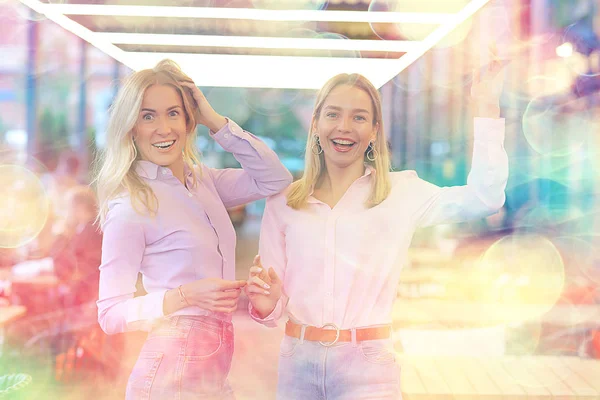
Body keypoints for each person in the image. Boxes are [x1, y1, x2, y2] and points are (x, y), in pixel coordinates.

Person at [245, 59, 509, 399]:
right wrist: (266, 304)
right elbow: (271, 303)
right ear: (315, 124)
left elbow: (484, 198)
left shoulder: (401, 193)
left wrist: (487, 108)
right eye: (333, 114)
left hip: (367, 368)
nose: (344, 127)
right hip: (297, 364)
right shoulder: (283, 203)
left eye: (358, 117)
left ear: (373, 130)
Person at [94, 59, 292, 399]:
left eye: (173, 113)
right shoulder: (130, 206)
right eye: (147, 116)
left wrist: (214, 120)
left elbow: (275, 178)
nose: (163, 128)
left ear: (189, 121)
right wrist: (182, 296)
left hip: (212, 368)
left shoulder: (204, 182)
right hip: (170, 374)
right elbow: (110, 314)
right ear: (131, 127)